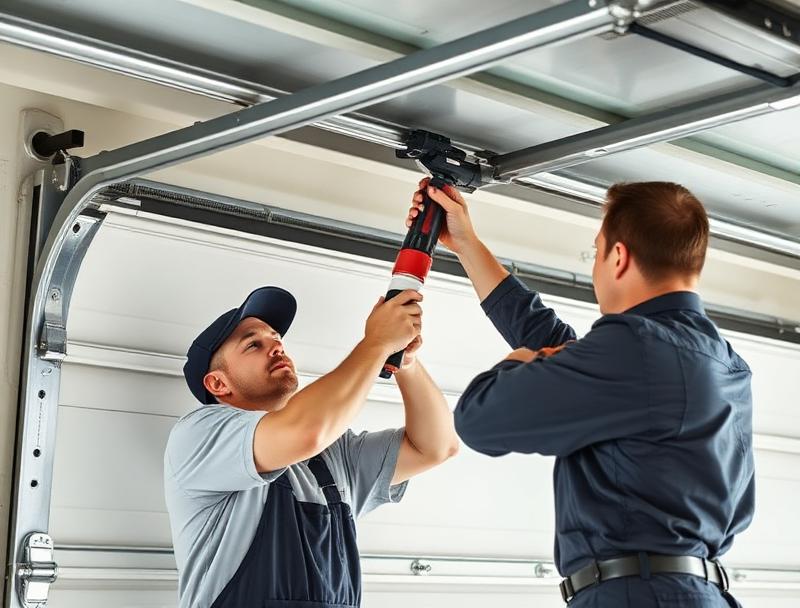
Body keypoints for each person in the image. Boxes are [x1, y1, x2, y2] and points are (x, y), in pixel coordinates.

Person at [406, 179, 753, 607]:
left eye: (597, 251)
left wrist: (520, 360)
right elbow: (559, 346)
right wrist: (467, 245)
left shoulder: (636, 349)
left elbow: (480, 419)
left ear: (619, 257)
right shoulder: (724, 362)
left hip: (638, 596)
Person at [164, 285, 459, 608]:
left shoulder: (334, 454)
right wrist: (376, 343)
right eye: (253, 344)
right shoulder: (199, 435)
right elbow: (307, 430)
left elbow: (435, 446)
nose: (276, 346)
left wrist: (405, 361)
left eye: (276, 338)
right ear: (218, 383)